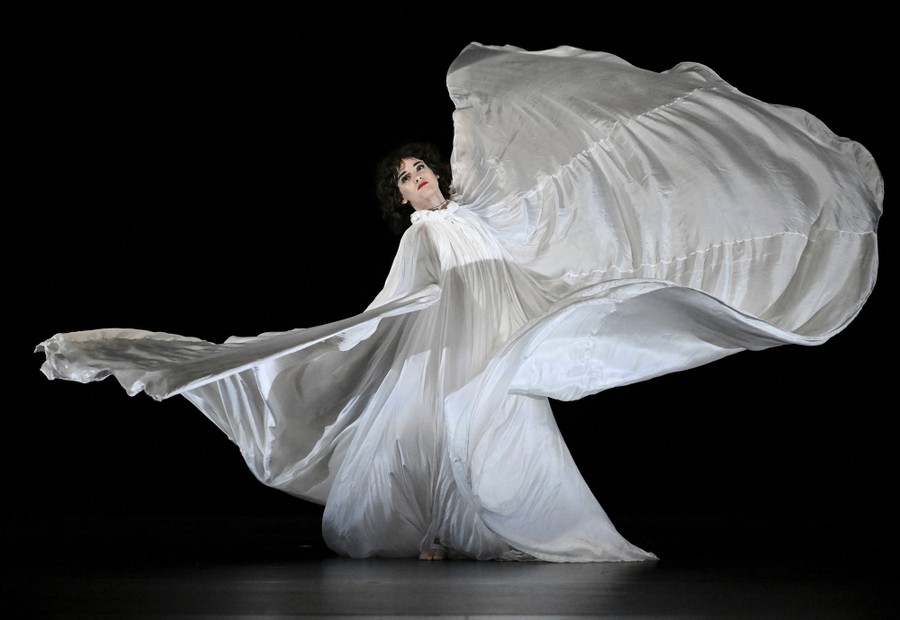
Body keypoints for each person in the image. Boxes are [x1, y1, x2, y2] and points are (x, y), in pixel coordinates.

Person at [35, 43, 882, 562]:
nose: (421, 176)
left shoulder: (478, 212)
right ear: (399, 198)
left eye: (422, 165)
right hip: (444, 345)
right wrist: (369, 331)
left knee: (500, 435)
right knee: (436, 441)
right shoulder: (421, 237)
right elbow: (397, 300)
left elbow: (542, 226)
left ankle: (508, 534)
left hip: (501, 339)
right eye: (406, 177)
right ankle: (435, 536)